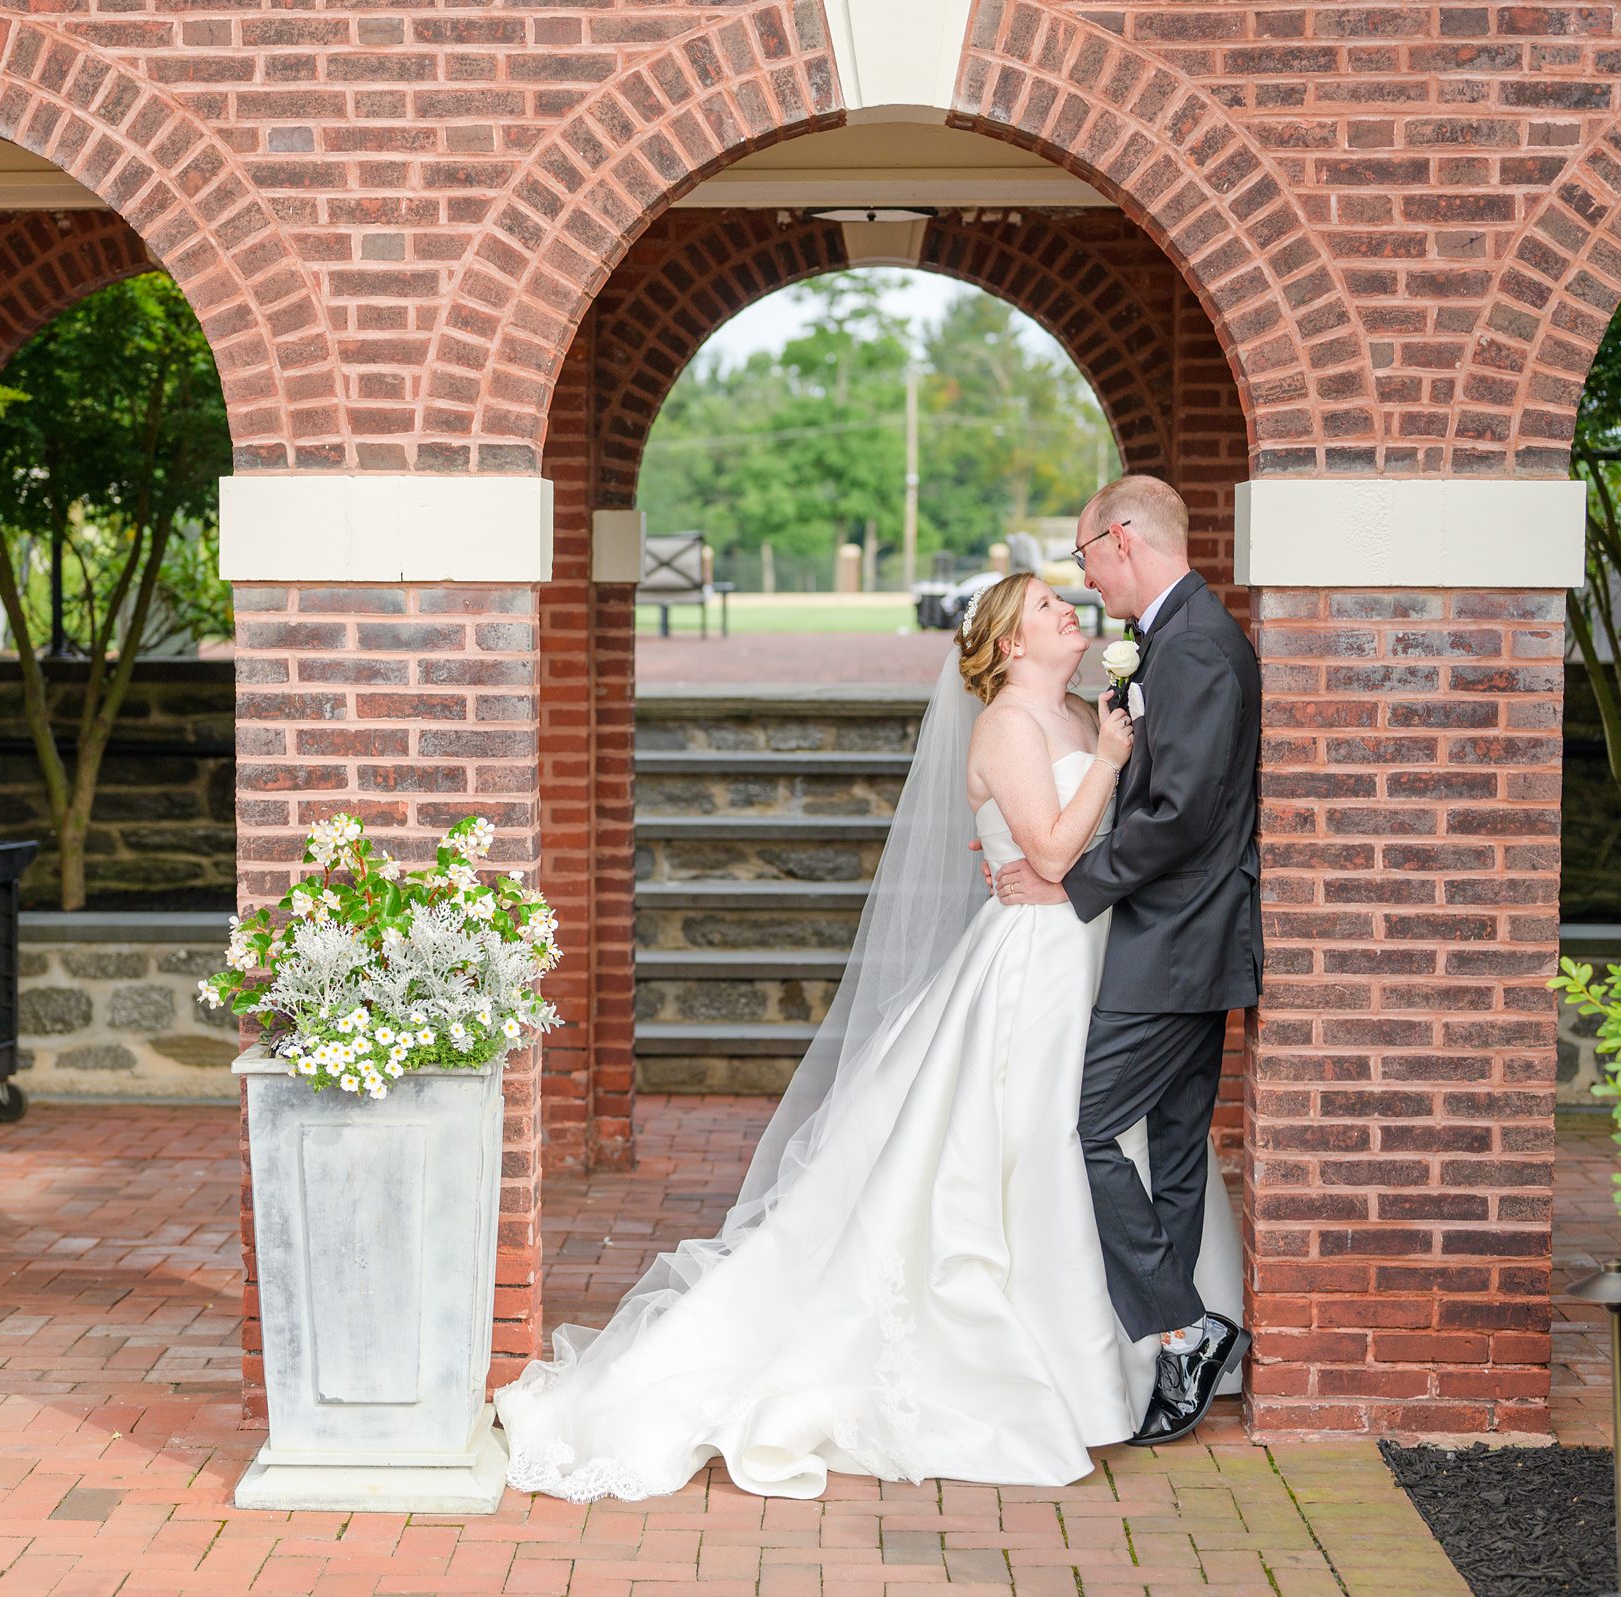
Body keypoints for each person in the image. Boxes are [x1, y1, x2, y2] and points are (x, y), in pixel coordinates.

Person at [494, 564, 1243, 1503]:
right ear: (1013, 641)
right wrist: (1104, 765)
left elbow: (1102, 838)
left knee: (1088, 1134)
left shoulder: (1091, 710)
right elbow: (1050, 850)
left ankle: (1142, 1352)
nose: (1070, 611)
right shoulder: (1008, 725)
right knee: (1033, 1140)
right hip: (1036, 962)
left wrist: (1107, 755)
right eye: (1051, 606)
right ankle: (1086, 1359)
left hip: (1095, 951)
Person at [989, 474, 1261, 1444]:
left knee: (1089, 1125)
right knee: (1177, 1152)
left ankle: (1180, 1327)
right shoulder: (1183, 638)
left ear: (1122, 539)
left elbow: (1181, 814)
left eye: (1083, 554)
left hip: (1171, 943)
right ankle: (1175, 1353)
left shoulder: (1192, 647)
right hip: (1190, 942)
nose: (1083, 574)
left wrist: (1073, 882)